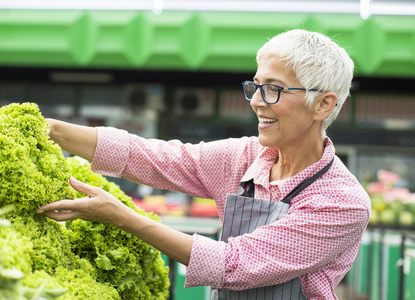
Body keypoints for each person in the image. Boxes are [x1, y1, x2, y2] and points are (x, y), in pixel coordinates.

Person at [38, 29, 371, 300]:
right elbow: (151, 156)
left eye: (273, 90)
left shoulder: (341, 202)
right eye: (255, 87)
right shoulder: (242, 157)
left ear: (323, 105)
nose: (256, 101)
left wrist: (122, 217)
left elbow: (234, 265)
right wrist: (51, 129)